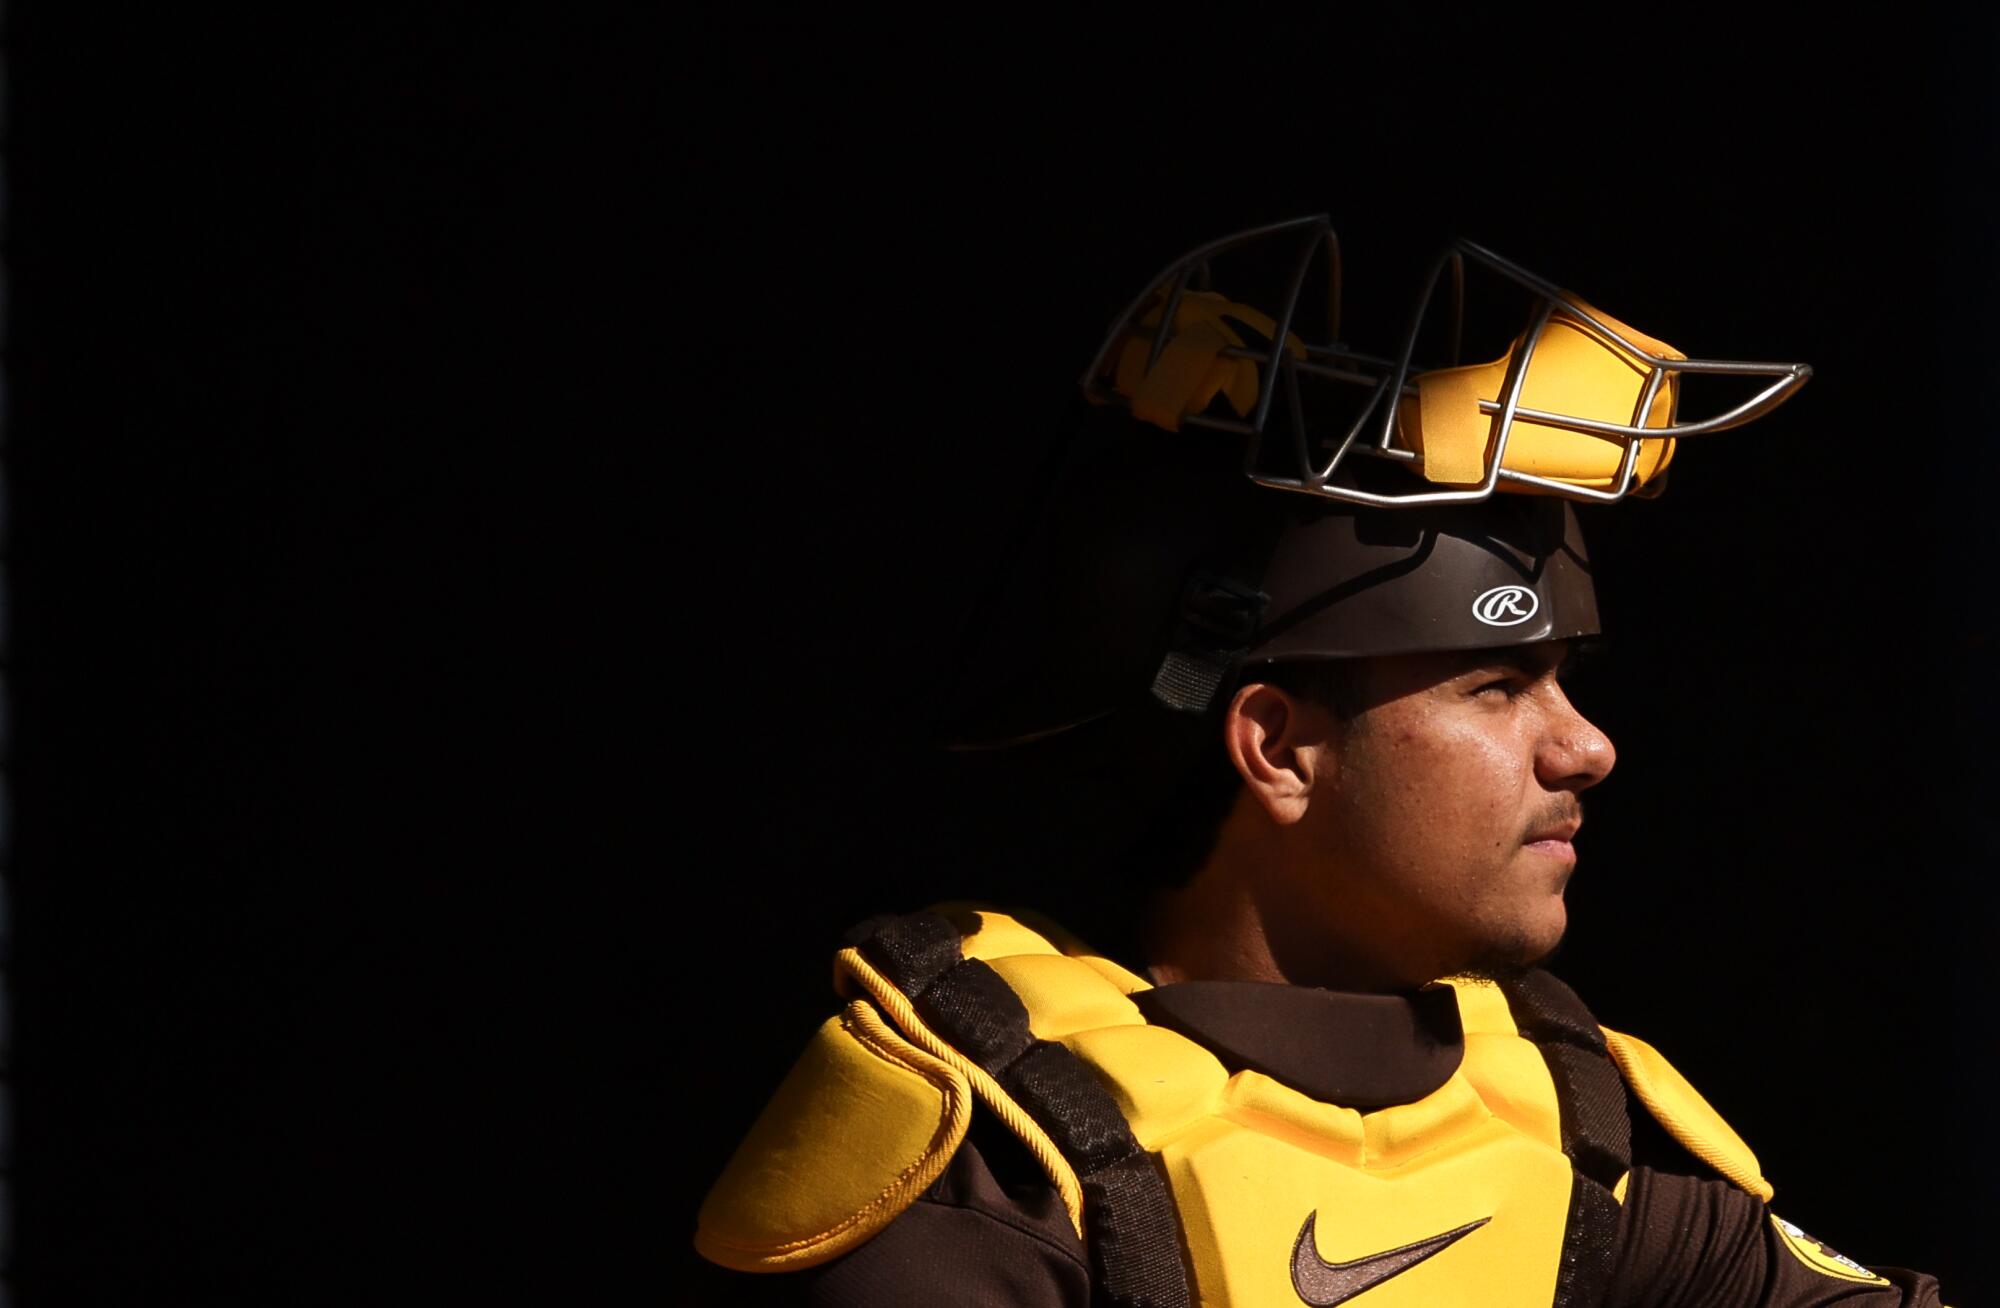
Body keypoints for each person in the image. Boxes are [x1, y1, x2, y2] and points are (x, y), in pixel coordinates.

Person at [690, 218, 1947, 1306]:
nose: (1585, 747)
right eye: (1497, 687)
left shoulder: (1573, 1133)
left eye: (1566, 684)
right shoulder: (1004, 1163)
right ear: (1277, 750)